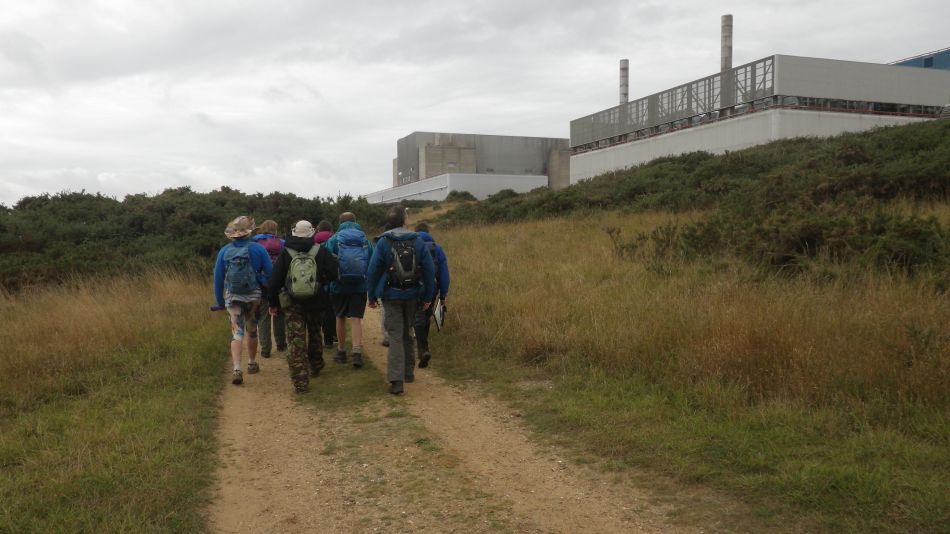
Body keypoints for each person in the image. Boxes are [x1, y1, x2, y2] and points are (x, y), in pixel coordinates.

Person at [366, 206, 435, 395]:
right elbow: (429, 270)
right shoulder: (417, 240)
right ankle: (408, 373)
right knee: (408, 331)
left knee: (395, 334)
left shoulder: (383, 241)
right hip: (413, 294)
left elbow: (373, 271)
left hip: (391, 295)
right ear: (404, 221)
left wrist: (371, 295)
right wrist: (428, 296)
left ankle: (396, 381)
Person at [267, 220, 338, 394]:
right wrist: (320, 283)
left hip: (292, 304)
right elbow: (334, 273)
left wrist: (273, 304)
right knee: (315, 334)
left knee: (296, 341)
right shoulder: (320, 251)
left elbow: (274, 281)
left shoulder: (286, 252)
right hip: (316, 302)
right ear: (311, 232)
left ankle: (300, 381)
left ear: (294, 232)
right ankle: (315, 365)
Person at [213, 216, 273, 386]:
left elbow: (218, 279)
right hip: (253, 296)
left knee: (236, 333)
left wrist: (219, 301)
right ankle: (252, 363)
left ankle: (237, 369)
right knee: (252, 331)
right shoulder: (258, 249)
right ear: (250, 231)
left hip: (233, 296)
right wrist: (267, 289)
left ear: (231, 234)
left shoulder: (224, 251)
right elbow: (270, 273)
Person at [325, 212, 371, 368]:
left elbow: (327, 262)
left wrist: (328, 284)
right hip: (359, 285)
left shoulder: (333, 240)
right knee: (357, 319)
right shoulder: (365, 239)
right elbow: (371, 261)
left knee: (340, 317)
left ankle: (342, 351)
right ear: (355, 221)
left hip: (339, 286)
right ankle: (357, 353)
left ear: (339, 222)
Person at [412, 222, 450, 369]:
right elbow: (444, 273)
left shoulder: (412, 245)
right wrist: (443, 293)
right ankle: (423, 348)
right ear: (428, 232)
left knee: (417, 317)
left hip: (415, 287)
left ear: (415, 232)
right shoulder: (437, 248)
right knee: (425, 316)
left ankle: (423, 349)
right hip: (432, 288)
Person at [252, 220, 288, 358]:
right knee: (279, 314)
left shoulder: (255, 244)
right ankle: (281, 344)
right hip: (278, 283)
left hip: (261, 284)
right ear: (275, 230)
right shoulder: (282, 243)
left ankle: (265, 349)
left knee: (263, 317)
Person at [313, 220, 337, 349]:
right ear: (330, 229)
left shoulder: (313, 241)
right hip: (332, 282)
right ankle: (335, 335)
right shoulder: (336, 239)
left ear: (318, 230)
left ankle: (327, 339)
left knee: (323, 312)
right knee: (333, 310)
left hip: (318, 282)